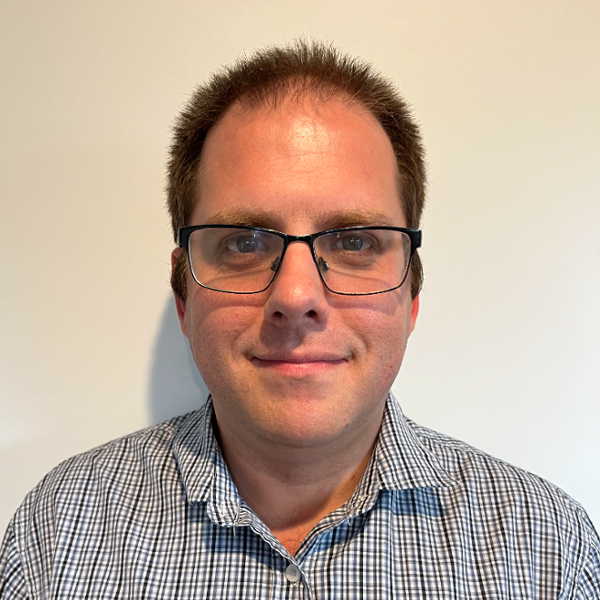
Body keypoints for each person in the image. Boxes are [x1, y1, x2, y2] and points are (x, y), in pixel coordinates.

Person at [1, 40, 599, 599]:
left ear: (411, 294)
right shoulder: (55, 536)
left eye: (355, 242)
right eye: (243, 242)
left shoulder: (549, 552)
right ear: (184, 296)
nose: (295, 295)